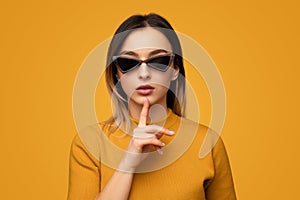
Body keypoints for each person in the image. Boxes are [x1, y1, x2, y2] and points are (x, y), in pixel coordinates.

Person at [67, 13, 236, 200]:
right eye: (128, 63)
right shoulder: (90, 144)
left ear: (175, 69)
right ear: (116, 72)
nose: (144, 73)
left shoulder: (207, 142)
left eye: (158, 61)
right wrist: (128, 163)